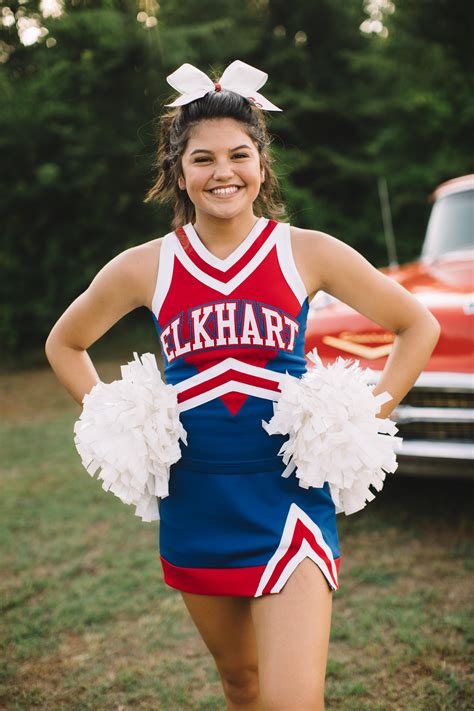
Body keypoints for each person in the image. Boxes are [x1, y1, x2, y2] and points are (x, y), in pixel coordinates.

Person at [45, 61, 441, 711]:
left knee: (290, 700)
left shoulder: (305, 251)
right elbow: (65, 343)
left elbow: (415, 323)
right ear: (179, 172)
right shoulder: (147, 266)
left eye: (239, 154)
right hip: (195, 505)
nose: (222, 171)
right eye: (202, 158)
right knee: (241, 684)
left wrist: (358, 417)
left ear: (261, 163)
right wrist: (122, 424)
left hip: (289, 508)